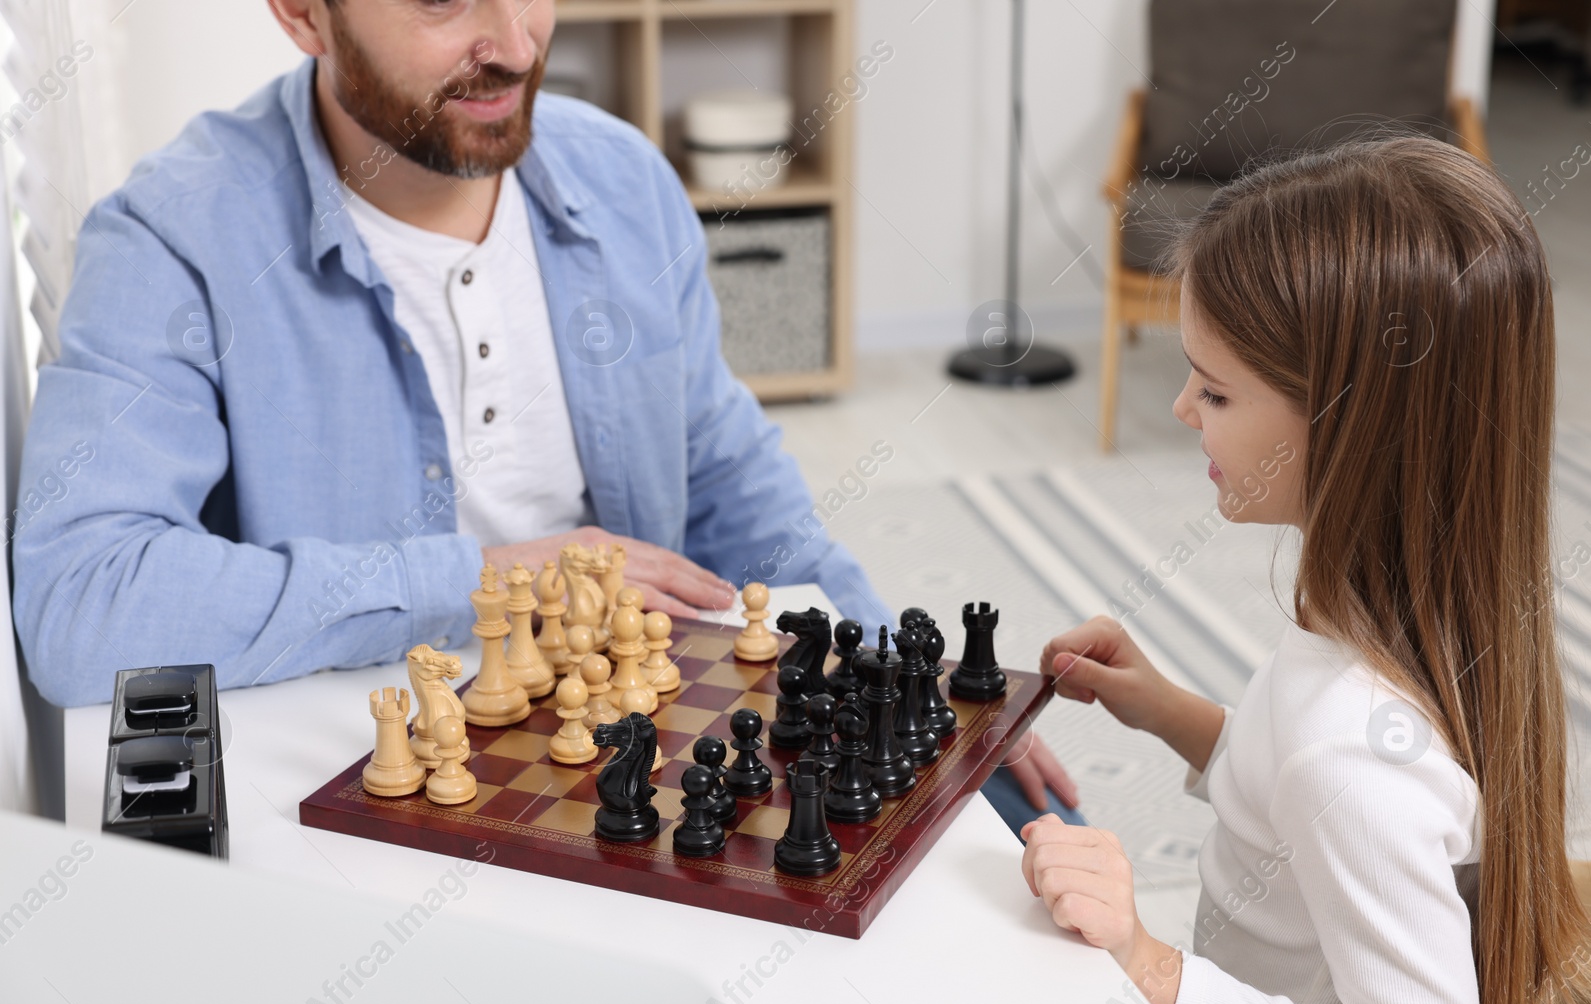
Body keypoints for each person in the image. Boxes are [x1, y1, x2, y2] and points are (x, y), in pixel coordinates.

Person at [11, 0, 1077, 831]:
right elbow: (81, 601)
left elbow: (730, 484)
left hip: (630, 753)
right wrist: (489, 578)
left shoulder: (622, 180)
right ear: (302, 13)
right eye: (442, 5)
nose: (517, 43)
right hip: (374, 786)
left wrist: (907, 682)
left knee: (1023, 838)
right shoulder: (172, 237)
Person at [1020, 137, 1591, 1004]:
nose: (1181, 410)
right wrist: (1169, 713)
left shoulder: (1352, 750)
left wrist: (1153, 966)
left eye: (1214, 389)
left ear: (1352, 423)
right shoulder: (1406, 615)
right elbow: (1292, 805)